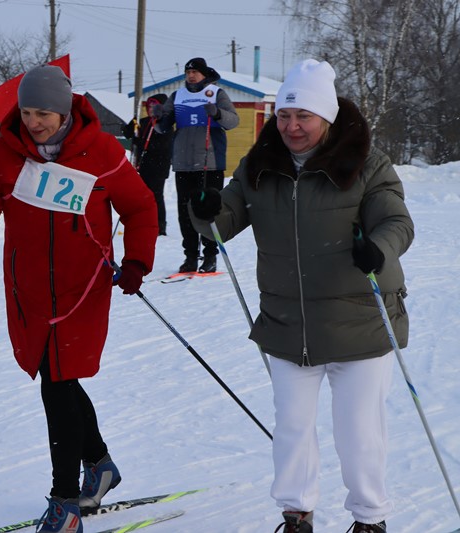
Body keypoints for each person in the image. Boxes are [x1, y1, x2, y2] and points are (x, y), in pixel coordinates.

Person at [189, 59, 413, 533]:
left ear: (326, 117)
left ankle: (369, 518)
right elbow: (222, 223)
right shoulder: (260, 165)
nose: (292, 126)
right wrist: (205, 211)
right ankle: (296, 513)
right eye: (284, 116)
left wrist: (378, 249)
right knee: (292, 427)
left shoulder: (366, 163)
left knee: (359, 432)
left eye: (303, 116)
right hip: (288, 323)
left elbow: (396, 221)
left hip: (359, 321)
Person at [0, 65, 158, 533]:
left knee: (57, 383)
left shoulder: (101, 151)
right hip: (30, 292)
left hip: (83, 289)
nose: (34, 122)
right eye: (26, 112)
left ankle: (64, 504)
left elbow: (140, 206)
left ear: (63, 113)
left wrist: (137, 261)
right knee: (56, 377)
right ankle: (99, 464)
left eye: (43, 113)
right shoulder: (5, 154)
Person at [156, 57, 239, 273]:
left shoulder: (216, 93)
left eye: (195, 72)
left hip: (209, 163)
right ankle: (190, 256)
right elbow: (162, 128)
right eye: (188, 72)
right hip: (184, 164)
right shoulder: (177, 96)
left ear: (204, 74)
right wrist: (159, 118)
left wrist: (217, 113)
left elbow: (233, 121)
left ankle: (210, 255)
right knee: (186, 213)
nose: (191, 76)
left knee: (209, 210)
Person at [122, 93, 172, 235]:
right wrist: (131, 126)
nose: (151, 109)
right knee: (142, 196)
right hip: (143, 166)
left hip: (158, 166)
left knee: (156, 196)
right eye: (149, 106)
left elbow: (162, 146)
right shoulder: (143, 122)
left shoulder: (165, 124)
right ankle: (144, 221)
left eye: (154, 106)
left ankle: (160, 226)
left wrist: (142, 144)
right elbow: (127, 134)